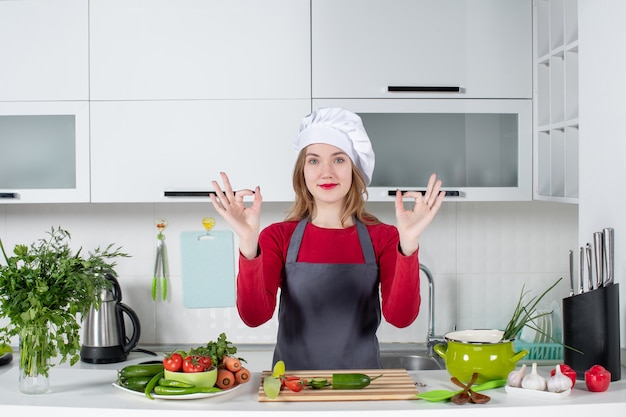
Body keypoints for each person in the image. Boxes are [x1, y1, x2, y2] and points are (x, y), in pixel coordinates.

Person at [210, 107, 445, 370]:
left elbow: (401, 318)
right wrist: (247, 242)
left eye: (339, 159)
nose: (326, 172)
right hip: (293, 390)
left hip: (363, 388)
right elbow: (254, 317)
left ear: (355, 169)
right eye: (313, 160)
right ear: (302, 171)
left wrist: (410, 243)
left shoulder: (385, 237)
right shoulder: (278, 237)